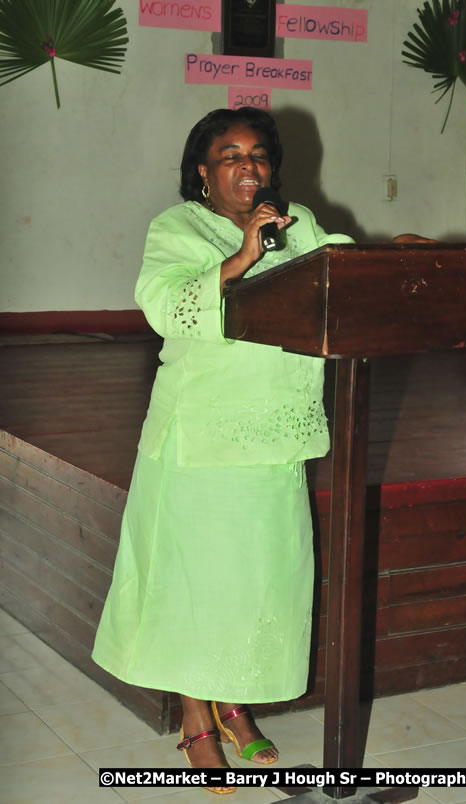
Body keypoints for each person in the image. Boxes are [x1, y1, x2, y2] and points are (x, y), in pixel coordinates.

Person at [92, 107, 421, 792]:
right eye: (230, 155)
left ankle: (234, 700)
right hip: (199, 437)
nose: (248, 167)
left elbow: (345, 273)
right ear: (203, 173)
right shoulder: (177, 227)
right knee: (195, 583)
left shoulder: (296, 223)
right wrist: (242, 255)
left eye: (259, 154)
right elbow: (163, 304)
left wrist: (396, 254)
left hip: (274, 432)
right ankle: (197, 722)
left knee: (255, 578)